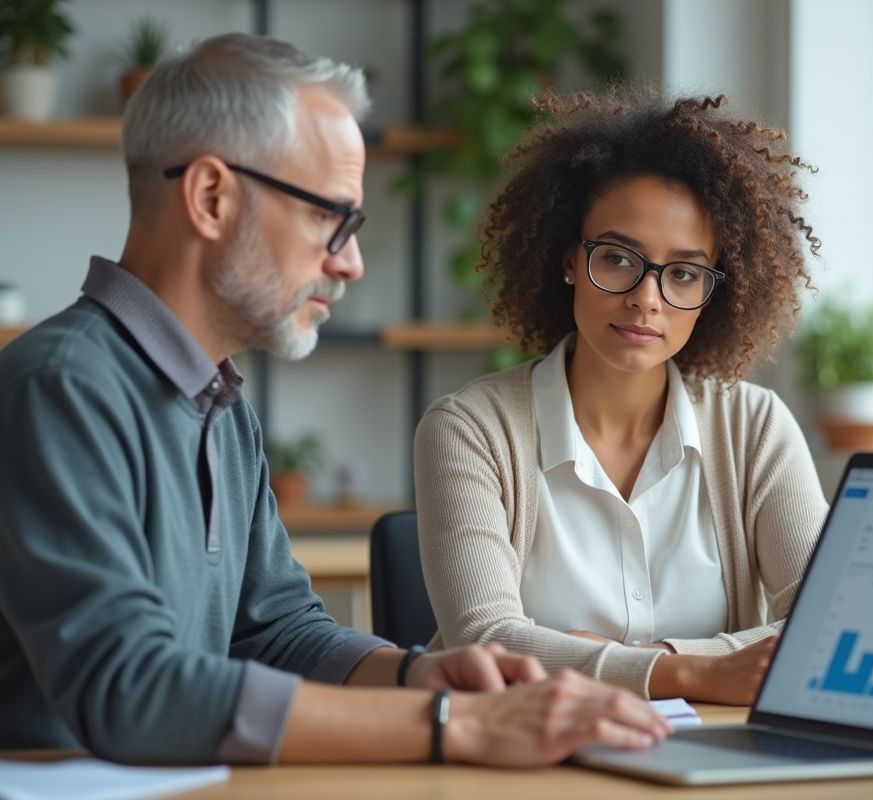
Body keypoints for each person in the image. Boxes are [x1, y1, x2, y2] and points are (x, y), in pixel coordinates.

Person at [0, 34, 669, 766]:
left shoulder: (218, 403)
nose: (348, 261)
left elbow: (277, 631)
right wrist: (455, 726)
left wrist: (416, 675)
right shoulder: (59, 388)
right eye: (332, 217)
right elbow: (129, 689)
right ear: (211, 197)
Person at [414, 88, 828, 705]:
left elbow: (826, 624)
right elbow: (486, 641)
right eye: (617, 259)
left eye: (683, 273)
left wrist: (632, 659)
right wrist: (690, 673)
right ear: (567, 261)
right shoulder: (469, 430)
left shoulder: (755, 427)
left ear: (715, 289)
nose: (646, 298)